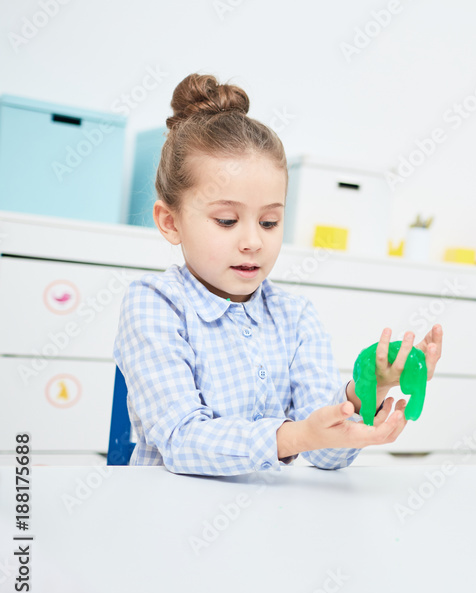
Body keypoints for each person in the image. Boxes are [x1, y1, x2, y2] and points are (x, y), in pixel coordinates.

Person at [114, 73, 443, 476]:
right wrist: (296, 437)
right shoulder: (154, 303)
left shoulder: (295, 315)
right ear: (170, 221)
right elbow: (182, 441)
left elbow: (326, 454)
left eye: (269, 222)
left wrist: (367, 390)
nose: (253, 241)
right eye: (227, 220)